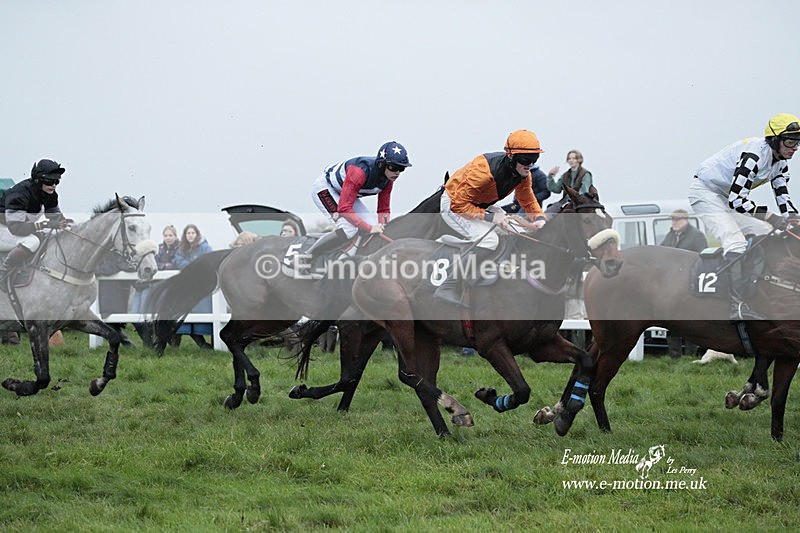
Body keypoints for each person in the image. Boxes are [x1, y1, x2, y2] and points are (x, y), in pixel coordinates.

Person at [688, 113, 800, 321]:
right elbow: (737, 201)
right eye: (790, 142)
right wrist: (771, 216)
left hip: (725, 196)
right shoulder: (754, 157)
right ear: (775, 140)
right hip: (705, 192)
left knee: (766, 232)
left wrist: (793, 219)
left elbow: (783, 197)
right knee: (736, 243)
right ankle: (736, 305)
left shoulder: (781, 163)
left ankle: (756, 287)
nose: (794, 148)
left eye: (797, 143)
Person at [436, 129, 547, 304]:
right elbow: (458, 204)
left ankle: (505, 274)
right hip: (453, 205)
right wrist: (490, 218)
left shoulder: (524, 175)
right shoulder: (484, 173)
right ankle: (449, 285)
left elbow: (527, 199)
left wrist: (539, 219)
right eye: (525, 160)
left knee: (520, 231)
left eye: (534, 159)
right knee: (490, 241)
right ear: (511, 156)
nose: (530, 165)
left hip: (481, 205)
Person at [306, 141, 412, 261]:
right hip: (325, 189)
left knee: (374, 226)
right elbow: (344, 208)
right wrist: (368, 228)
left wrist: (383, 227)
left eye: (401, 169)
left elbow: (383, 209)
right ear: (381, 164)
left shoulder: (389, 179)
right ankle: (309, 255)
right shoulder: (359, 172)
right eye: (393, 167)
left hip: (346, 194)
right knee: (349, 229)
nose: (397, 173)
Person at [0, 159, 71, 289]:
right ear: (38, 180)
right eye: (50, 181)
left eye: (57, 181)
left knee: (55, 234)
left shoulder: (49, 193)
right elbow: (16, 228)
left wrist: (67, 226)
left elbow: (55, 216)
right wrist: (44, 224)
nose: (54, 185)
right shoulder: (19, 194)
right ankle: (3, 274)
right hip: (5, 228)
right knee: (32, 242)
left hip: (17, 227)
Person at [660, 209, 708, 358]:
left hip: (689, 284)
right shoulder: (670, 236)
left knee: (690, 321)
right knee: (671, 320)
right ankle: (674, 356)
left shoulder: (697, 236)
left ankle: (690, 356)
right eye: (672, 219)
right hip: (671, 285)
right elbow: (661, 253)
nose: (674, 222)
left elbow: (703, 258)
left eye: (677, 220)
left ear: (686, 221)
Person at [174, 224, 214, 348]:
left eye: (192, 233)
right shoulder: (181, 249)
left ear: (197, 234)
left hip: (201, 288)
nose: (190, 235)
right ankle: (177, 345)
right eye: (188, 233)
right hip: (186, 288)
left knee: (205, 315)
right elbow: (179, 262)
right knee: (183, 315)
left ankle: (210, 344)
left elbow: (206, 263)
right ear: (185, 235)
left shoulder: (205, 247)